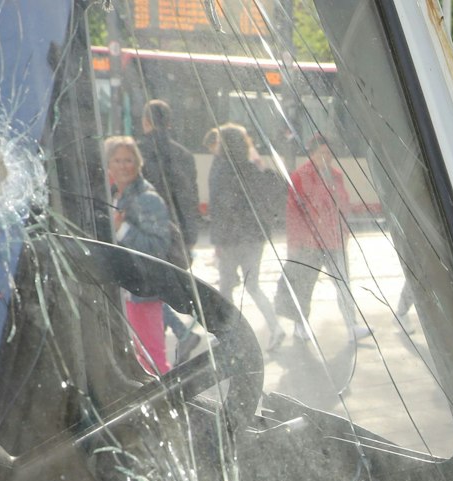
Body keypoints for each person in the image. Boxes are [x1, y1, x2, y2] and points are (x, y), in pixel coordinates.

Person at [281, 132, 370, 346]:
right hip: (310, 243)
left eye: (329, 153)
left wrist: (345, 232)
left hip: (334, 240)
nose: (326, 157)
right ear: (312, 154)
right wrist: (294, 244)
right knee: (306, 285)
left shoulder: (335, 175)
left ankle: (352, 326)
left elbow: (343, 206)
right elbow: (293, 213)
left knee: (343, 284)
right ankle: (300, 324)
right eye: (322, 153)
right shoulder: (300, 176)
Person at [207, 124, 286, 351]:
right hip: (254, 237)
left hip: (230, 239)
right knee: (253, 286)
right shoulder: (252, 168)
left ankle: (227, 334)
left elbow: (218, 209)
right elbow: (275, 193)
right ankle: (275, 327)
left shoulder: (220, 169)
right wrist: (264, 169)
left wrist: (218, 242)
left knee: (226, 288)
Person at [104, 135, 178, 375]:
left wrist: (122, 229)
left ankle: (168, 406)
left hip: (143, 291)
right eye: (117, 160)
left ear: (138, 163)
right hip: (126, 291)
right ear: (108, 165)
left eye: (128, 160)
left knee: (152, 359)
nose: (123, 166)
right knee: (138, 360)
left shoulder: (147, 198)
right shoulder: (118, 195)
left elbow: (157, 246)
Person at [138, 100, 202, 359]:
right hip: (176, 233)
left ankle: (173, 338)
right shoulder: (184, 155)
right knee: (159, 286)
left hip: (146, 232)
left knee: (145, 291)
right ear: (169, 122)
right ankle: (171, 339)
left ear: (146, 123)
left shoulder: (138, 152)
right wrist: (190, 237)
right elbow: (189, 198)